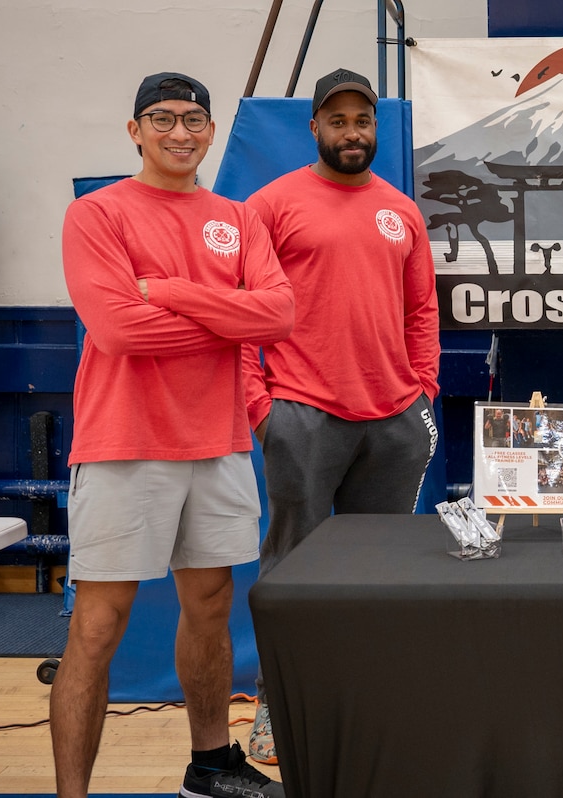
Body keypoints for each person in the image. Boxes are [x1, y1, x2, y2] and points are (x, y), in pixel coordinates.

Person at [55, 72, 293, 798]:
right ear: (135, 130)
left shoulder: (239, 218)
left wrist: (173, 294)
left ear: (213, 131)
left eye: (194, 119)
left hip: (218, 444)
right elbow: (120, 329)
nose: (180, 133)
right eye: (162, 119)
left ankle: (209, 765)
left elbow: (279, 316)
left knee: (213, 604)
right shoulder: (98, 214)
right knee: (99, 625)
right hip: (123, 442)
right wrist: (228, 316)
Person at [242, 67, 441, 764]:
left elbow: (421, 309)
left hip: (394, 420)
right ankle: (278, 709)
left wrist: (424, 393)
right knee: (291, 568)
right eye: (338, 120)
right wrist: (261, 409)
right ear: (314, 128)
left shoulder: (400, 210)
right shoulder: (270, 205)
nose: (351, 132)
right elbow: (241, 313)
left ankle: (369, 703)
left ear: (375, 129)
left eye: (362, 121)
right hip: (302, 413)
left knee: (381, 570)